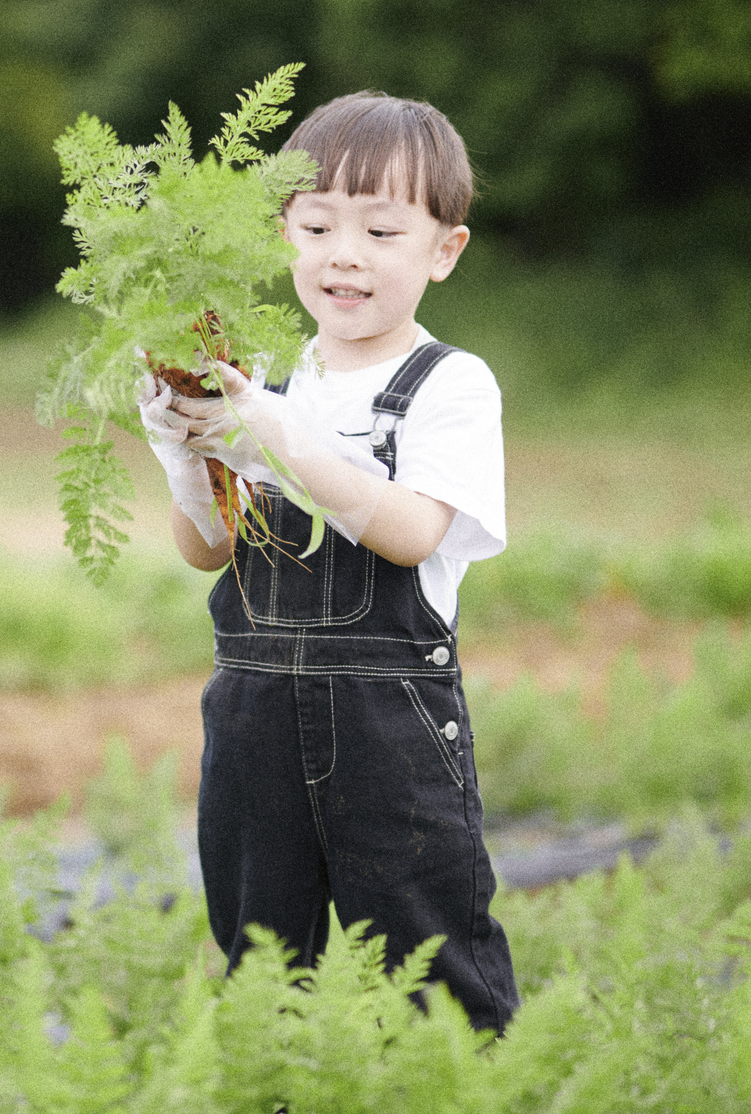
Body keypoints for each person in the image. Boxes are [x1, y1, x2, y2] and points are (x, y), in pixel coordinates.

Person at [140, 91, 520, 1032]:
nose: (344, 253)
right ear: (285, 234)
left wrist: (280, 444)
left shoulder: (446, 384)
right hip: (252, 713)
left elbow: (410, 532)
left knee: (427, 959)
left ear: (444, 249)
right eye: (317, 225)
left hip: (389, 729)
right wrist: (188, 459)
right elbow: (210, 551)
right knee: (263, 959)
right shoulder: (264, 373)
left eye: (381, 230)